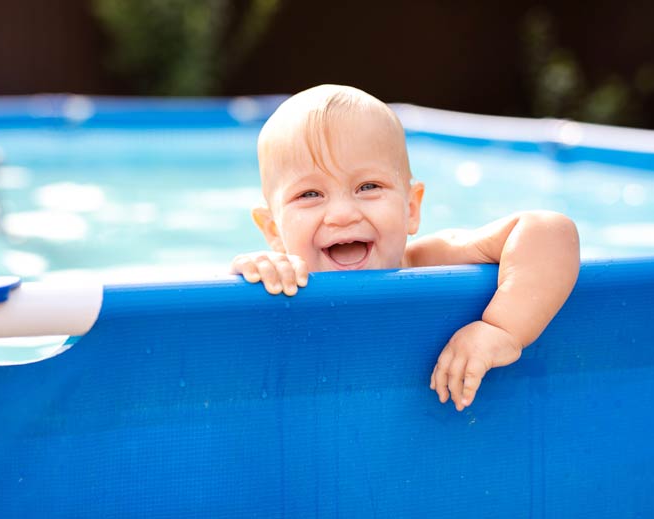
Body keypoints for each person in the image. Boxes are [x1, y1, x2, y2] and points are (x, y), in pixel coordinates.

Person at [231, 84, 580, 412]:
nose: (341, 214)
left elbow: (549, 230)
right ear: (274, 230)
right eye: (309, 195)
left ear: (411, 209)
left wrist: (502, 329)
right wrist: (257, 273)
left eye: (368, 186)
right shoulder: (283, 278)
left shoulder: (427, 260)